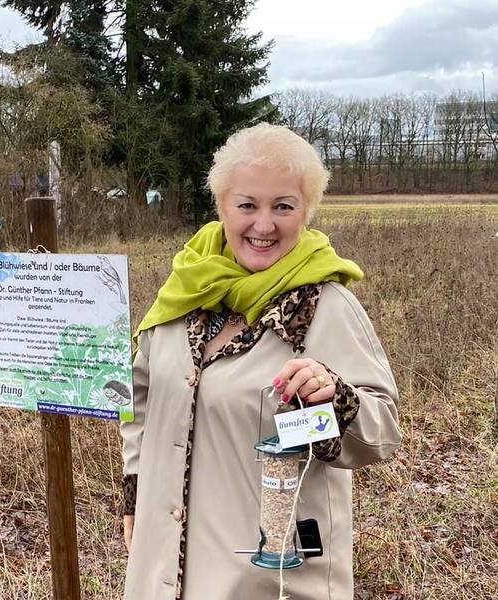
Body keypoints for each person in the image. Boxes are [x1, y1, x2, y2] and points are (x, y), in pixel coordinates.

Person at [120, 123, 401, 600]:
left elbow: (381, 433)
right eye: (247, 205)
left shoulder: (326, 306)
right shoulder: (186, 291)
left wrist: (333, 398)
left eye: (283, 206)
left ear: (306, 212)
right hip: (163, 567)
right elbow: (139, 398)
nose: (264, 225)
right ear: (223, 206)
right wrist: (134, 494)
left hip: (270, 577)